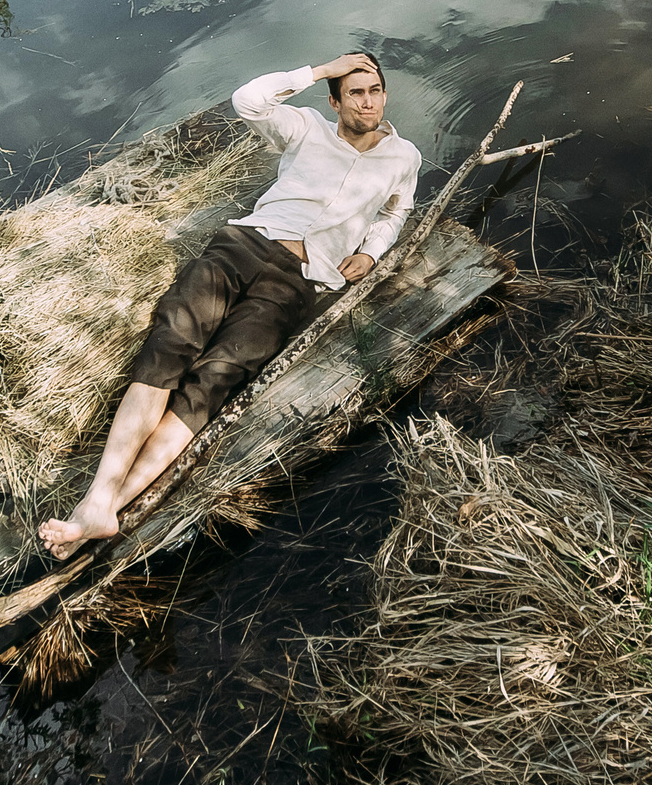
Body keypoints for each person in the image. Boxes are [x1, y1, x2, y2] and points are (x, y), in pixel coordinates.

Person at [37, 51, 422, 560]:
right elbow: (248, 100)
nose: (367, 100)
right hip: (246, 244)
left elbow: (398, 210)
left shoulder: (404, 157)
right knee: (172, 338)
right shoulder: (306, 126)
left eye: (374, 90)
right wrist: (319, 70)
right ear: (334, 100)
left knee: (216, 377)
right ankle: (98, 498)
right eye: (354, 91)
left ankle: (103, 508)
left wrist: (371, 251)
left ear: (385, 95)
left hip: (301, 280)